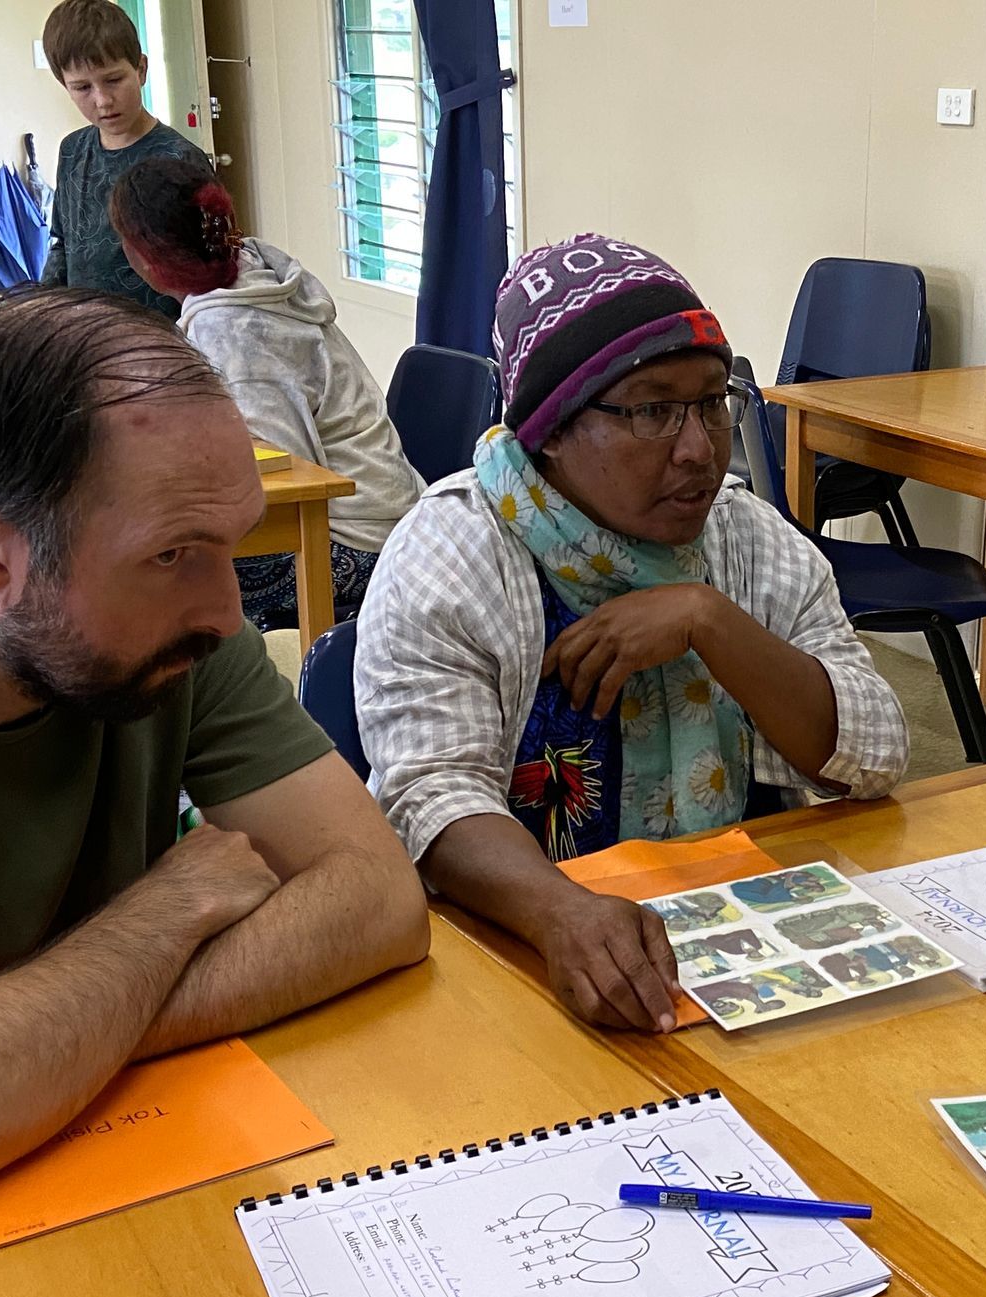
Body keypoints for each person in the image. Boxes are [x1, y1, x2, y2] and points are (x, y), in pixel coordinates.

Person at [0, 288, 431, 1237]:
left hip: (139, 1194)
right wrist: (176, 903)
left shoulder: (176, 634)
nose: (225, 609)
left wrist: (6, 1030)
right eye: (173, 555)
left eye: (228, 542)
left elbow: (379, 901)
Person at [356, 234, 908, 1032]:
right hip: (527, 953)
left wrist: (708, 619)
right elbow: (429, 796)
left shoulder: (743, 539)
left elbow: (878, 751)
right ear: (550, 428)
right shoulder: (455, 551)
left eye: (712, 403)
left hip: (743, 941)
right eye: (653, 410)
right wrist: (562, 914)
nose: (698, 449)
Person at [108, 156, 422, 629]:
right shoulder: (253, 265)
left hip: (361, 542)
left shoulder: (234, 329)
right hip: (386, 511)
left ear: (143, 261)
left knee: (157, 567)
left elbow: (276, 481)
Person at [40, 0, 211, 316]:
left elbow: (210, 267)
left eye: (113, 80)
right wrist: (44, 313)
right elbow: (61, 244)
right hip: (85, 333)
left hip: (160, 339)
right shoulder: (72, 151)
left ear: (141, 70)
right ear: (64, 85)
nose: (102, 100)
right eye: (82, 88)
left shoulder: (181, 159)